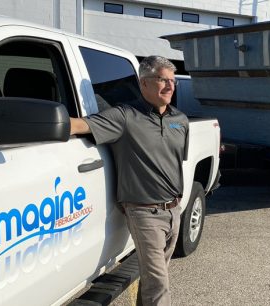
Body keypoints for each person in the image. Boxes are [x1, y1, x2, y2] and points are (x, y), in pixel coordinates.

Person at [70, 55, 188, 306]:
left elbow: (174, 163)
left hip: (173, 209)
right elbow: (80, 125)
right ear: (143, 83)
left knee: (157, 275)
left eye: (172, 81)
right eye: (162, 80)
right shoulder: (124, 117)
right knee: (158, 282)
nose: (170, 86)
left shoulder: (180, 121)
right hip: (144, 212)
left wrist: (176, 205)